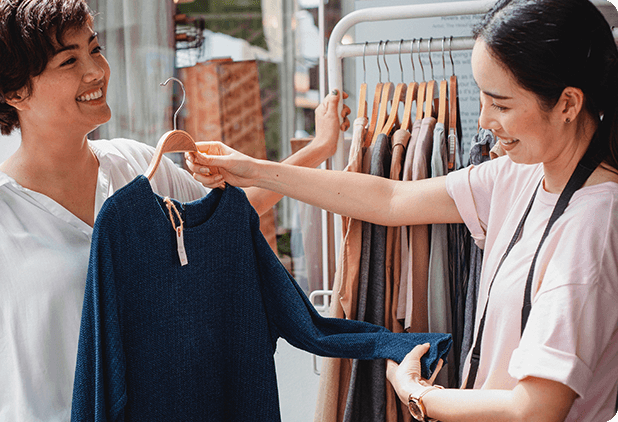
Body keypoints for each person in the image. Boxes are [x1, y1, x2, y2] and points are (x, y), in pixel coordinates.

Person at [0, 0, 350, 420]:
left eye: (94, 49)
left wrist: (317, 149)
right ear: (16, 90)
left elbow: (221, 227)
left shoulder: (137, 166)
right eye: (69, 61)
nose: (96, 70)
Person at [187, 0, 618, 420]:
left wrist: (417, 395)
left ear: (567, 104)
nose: (484, 119)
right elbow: (390, 199)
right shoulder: (519, 176)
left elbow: (534, 410)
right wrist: (253, 170)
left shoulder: (591, 227)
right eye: (483, 99)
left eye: (501, 104)